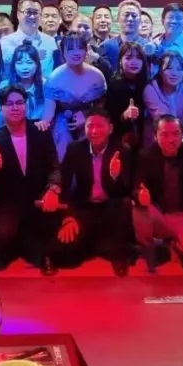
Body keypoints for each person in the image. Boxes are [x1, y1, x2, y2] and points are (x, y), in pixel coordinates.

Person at [0, 87, 64, 274]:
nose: (15, 108)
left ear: (26, 106)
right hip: (10, 201)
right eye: (9, 104)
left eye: (19, 103)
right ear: (1, 108)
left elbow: (54, 166)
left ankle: (34, 245)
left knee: (48, 245)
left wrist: (53, 189)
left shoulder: (40, 131)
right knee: (2, 239)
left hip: (38, 198)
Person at [58, 110, 134, 276]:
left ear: (110, 128)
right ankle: (93, 243)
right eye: (90, 126)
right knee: (69, 255)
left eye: (100, 126)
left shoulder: (122, 150)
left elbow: (125, 190)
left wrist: (115, 176)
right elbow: (63, 184)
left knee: (122, 206)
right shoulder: (75, 148)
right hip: (86, 205)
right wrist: (68, 216)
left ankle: (119, 255)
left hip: (112, 206)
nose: (94, 131)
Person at [131, 115, 183, 274]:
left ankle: (172, 244)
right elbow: (136, 187)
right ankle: (149, 252)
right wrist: (140, 195)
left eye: (176, 134)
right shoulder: (146, 155)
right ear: (155, 135)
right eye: (164, 134)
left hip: (182, 216)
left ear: (182, 135)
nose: (171, 139)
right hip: (159, 215)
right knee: (138, 210)